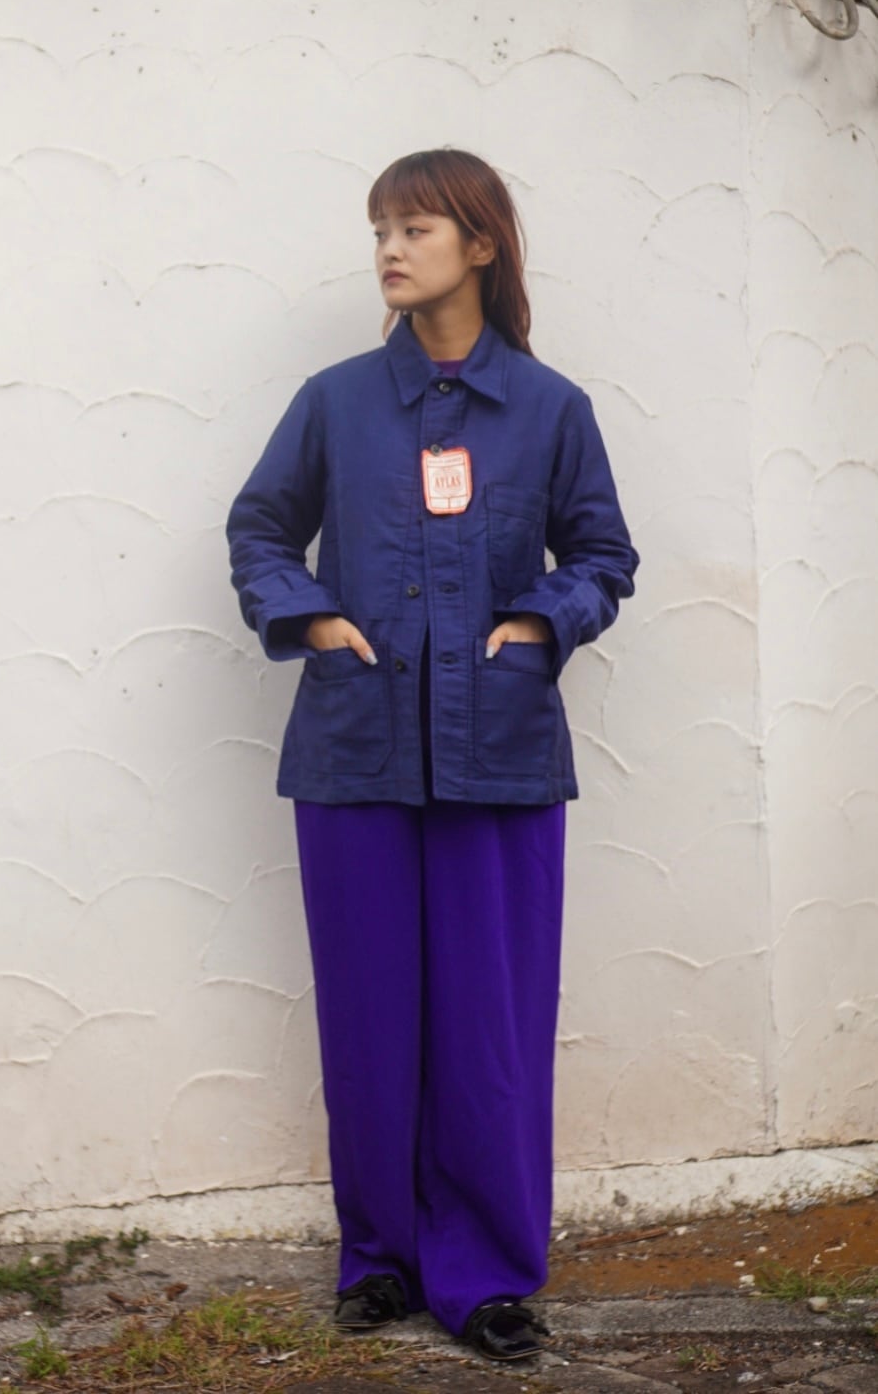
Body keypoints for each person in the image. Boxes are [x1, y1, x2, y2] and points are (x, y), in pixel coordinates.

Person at [226, 149, 638, 1361]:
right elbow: (259, 528)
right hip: (352, 747)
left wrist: (538, 625)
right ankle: (379, 1260)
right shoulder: (334, 401)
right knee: (369, 1023)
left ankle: (487, 1274)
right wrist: (311, 618)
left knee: (487, 1031)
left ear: (480, 244)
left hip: (498, 751)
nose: (389, 251)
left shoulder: (549, 410)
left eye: (413, 228)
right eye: (379, 231)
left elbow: (603, 556)